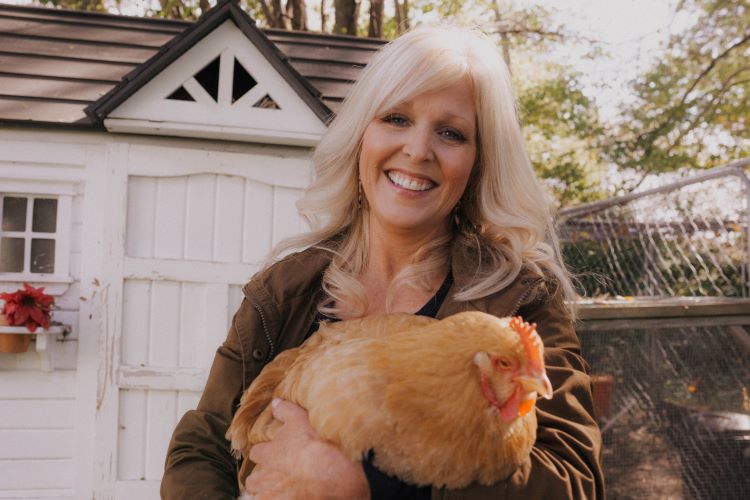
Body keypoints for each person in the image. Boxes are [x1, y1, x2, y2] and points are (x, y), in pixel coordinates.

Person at [161, 25, 604, 500]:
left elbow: (574, 482)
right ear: (360, 137)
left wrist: (372, 486)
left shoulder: (517, 299)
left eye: (451, 133)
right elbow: (201, 444)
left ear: (478, 164)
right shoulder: (284, 292)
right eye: (396, 118)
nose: (417, 150)